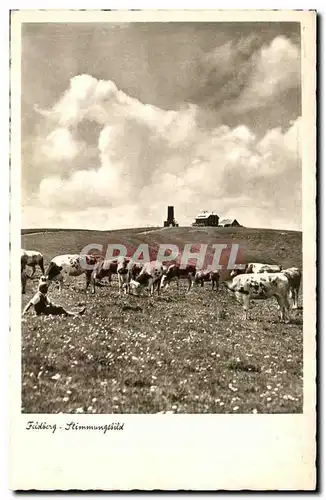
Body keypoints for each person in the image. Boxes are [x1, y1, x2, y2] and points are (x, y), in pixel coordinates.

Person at [22, 276, 86, 317]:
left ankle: (75, 313)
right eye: (46, 288)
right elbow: (30, 303)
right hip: (42, 312)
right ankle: (75, 314)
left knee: (59, 309)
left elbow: (49, 303)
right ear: (42, 289)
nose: (47, 289)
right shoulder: (38, 296)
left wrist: (53, 306)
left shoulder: (43, 295)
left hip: (45, 310)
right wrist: (24, 312)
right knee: (60, 309)